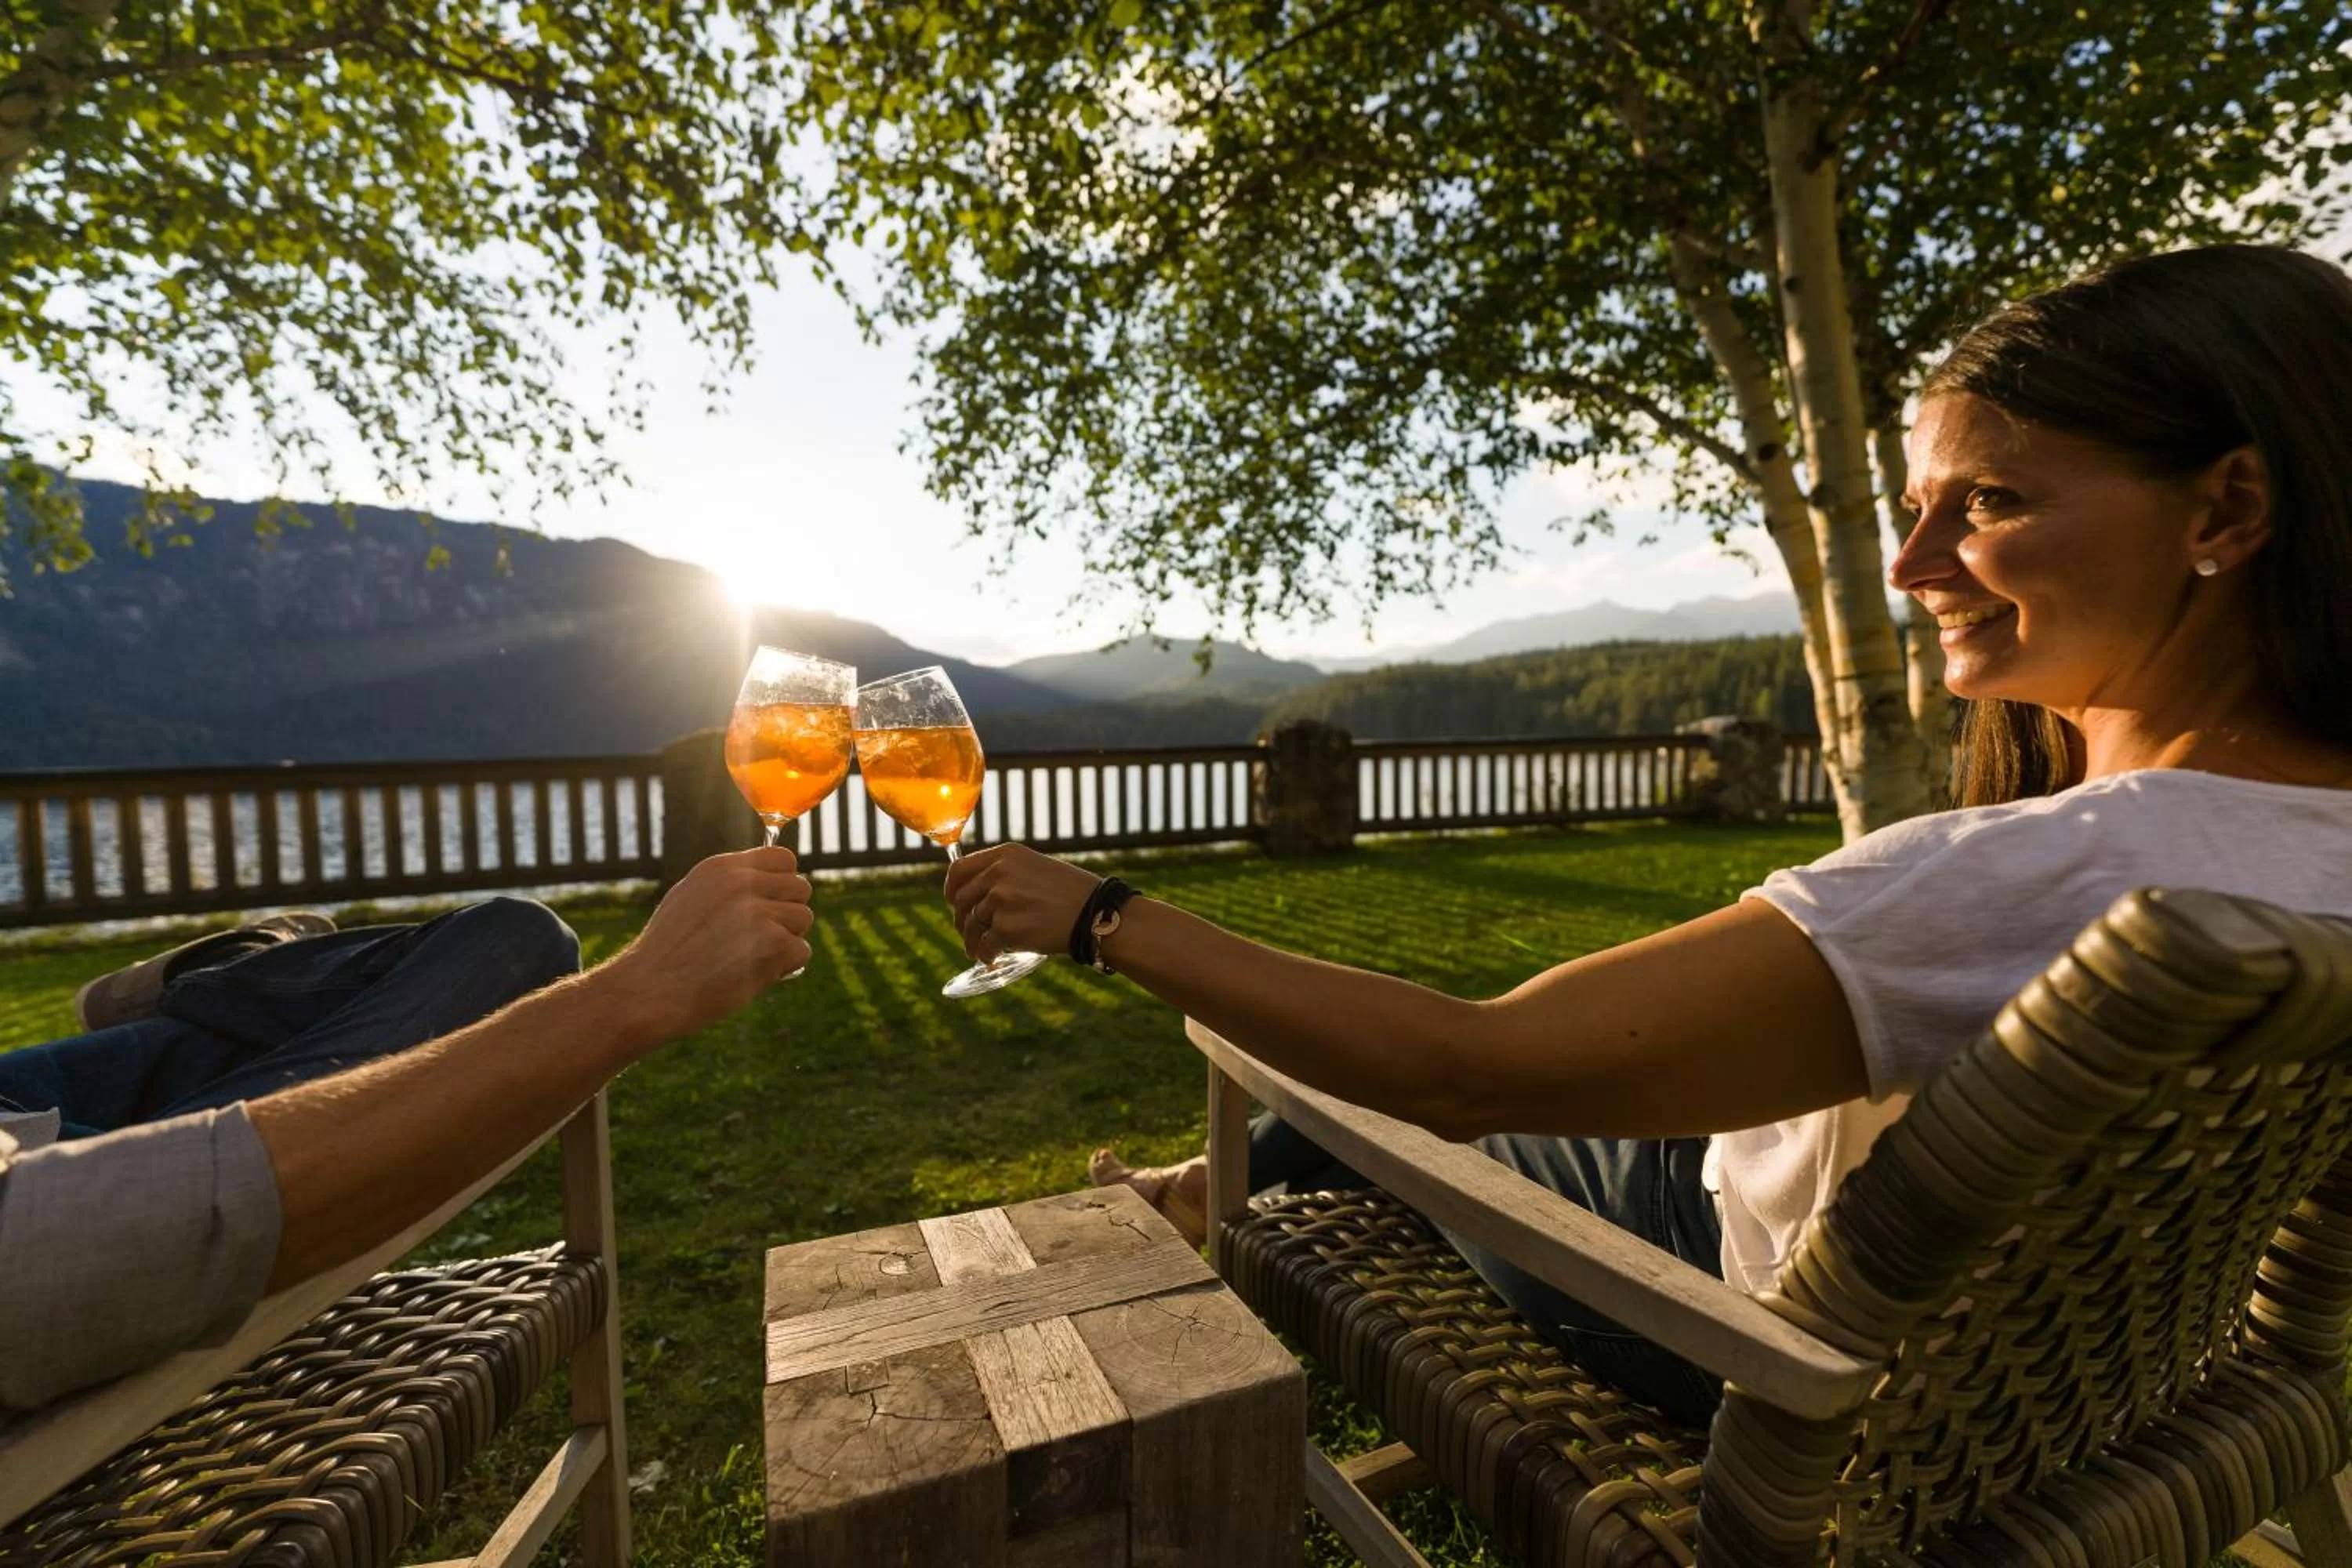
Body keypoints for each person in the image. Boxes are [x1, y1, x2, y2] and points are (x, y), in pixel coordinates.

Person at [939, 243, 2352, 1426]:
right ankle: (1198, 1188)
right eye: (1913, 509)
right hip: (2079, 1380)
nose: (1918, 567)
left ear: (2224, 509)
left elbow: (1459, 1068)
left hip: (1749, 1339)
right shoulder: (2300, 846)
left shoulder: (2030, 877)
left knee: (1394, 1092)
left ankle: (1201, 1193)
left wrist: (1101, 914)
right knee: (1486, 1084)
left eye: (1989, 503)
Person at [0, 846, 813, 1410]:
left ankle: (230, 977)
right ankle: (228, 973)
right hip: (65, 1171)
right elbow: (98, 1247)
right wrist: (636, 994)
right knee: (515, 952)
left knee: (514, 930)